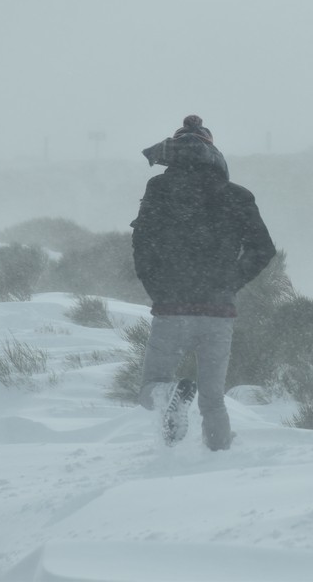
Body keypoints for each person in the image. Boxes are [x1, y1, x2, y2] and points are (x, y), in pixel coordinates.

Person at [131, 115, 276, 450]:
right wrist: (230, 283)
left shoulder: (160, 188)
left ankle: (169, 396)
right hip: (218, 311)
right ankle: (219, 461)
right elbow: (263, 249)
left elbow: (143, 246)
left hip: (172, 306)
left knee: (150, 386)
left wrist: (158, 288)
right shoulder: (237, 196)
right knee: (213, 400)